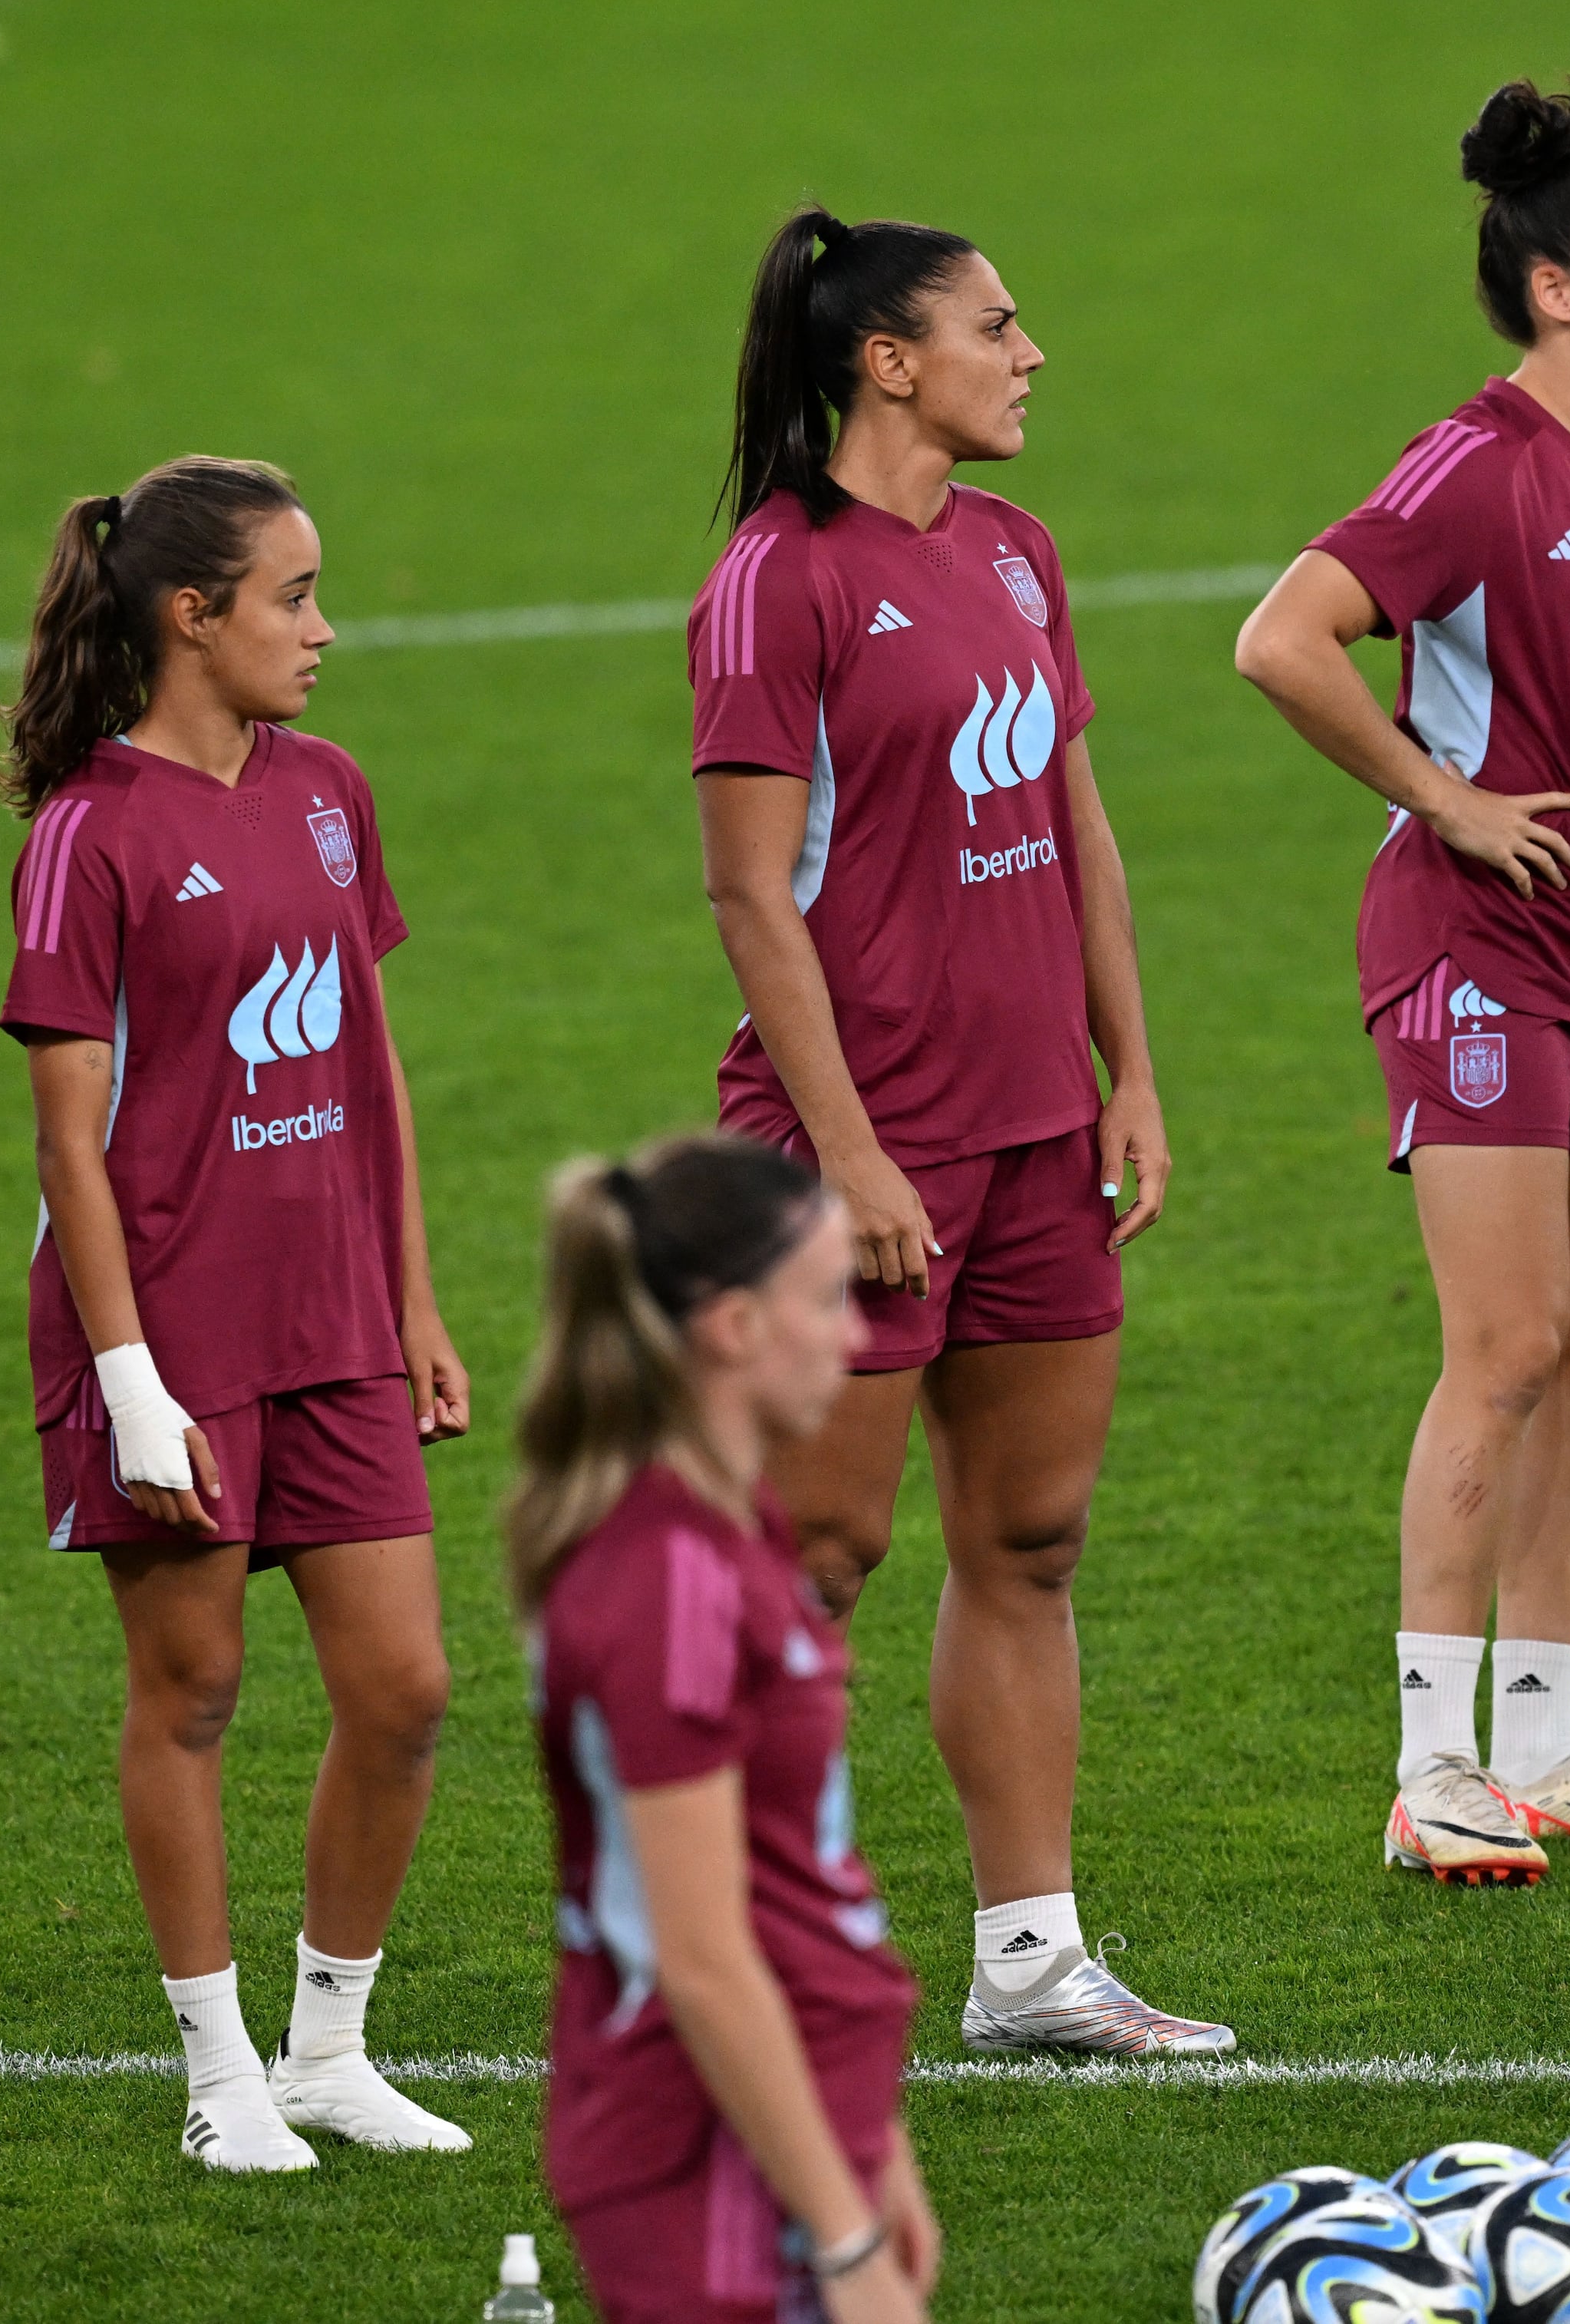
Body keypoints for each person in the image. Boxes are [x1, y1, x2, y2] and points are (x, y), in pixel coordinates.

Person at [689, 208, 1225, 2049]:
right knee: (814, 1549)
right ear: (888, 363)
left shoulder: (1016, 551)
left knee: (1035, 1536)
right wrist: (847, 1155)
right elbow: (752, 897)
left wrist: (1129, 1070)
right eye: (999, 323)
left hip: (1030, 1135)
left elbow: (1079, 826)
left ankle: (1027, 1962)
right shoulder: (779, 579)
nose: (1034, 349)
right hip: (853, 1146)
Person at [1233, 82, 1570, 1887]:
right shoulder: (1469, 469)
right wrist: (1441, 799)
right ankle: (1431, 1762)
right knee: (1508, 1343)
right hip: (1477, 950)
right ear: (1554, 289)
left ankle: (1540, 1744)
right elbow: (1280, 639)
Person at [0, 455, 477, 2164]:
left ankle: (329, 2048)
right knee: (191, 1688)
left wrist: (413, 1294)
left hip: (335, 1314)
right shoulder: (88, 832)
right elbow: (67, 1134)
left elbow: (371, 1064)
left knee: (405, 1684)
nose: (322, 630)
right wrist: (126, 1380)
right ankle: (219, 2081)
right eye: (293, 598)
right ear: (191, 616)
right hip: (173, 1332)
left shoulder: (330, 790)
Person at [518, 1135, 938, 2324]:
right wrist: (847, 2241)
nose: (857, 1339)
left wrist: (875, 2147)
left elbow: (798, 1871)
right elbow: (700, 1956)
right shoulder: (672, 1589)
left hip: (793, 2126)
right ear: (732, 1327)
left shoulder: (734, 1519)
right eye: (825, 1304)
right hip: (704, 2154)